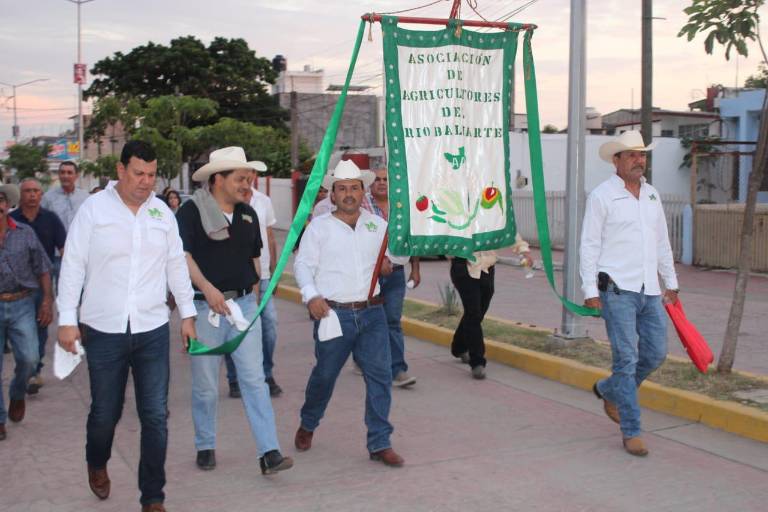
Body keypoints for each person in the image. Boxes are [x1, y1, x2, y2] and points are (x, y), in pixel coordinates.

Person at [57, 141, 197, 512]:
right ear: (121, 171)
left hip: (151, 328)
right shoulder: (94, 210)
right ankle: (97, 461)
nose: (145, 182)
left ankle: (153, 496)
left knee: (155, 415)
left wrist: (187, 314)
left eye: (151, 175)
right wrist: (67, 320)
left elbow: (176, 266)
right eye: (138, 173)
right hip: (104, 329)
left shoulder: (162, 215)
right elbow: (73, 265)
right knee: (106, 412)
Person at [176, 146, 292, 475]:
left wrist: (252, 295)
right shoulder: (190, 212)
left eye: (250, 179)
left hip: (243, 308)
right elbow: (182, 257)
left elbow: (255, 258)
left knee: (255, 379)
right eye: (241, 179)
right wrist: (208, 289)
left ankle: (269, 452)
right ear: (217, 180)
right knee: (206, 385)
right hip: (205, 310)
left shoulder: (248, 214)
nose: (247, 185)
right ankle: (205, 443)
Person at [293, 160, 404, 467]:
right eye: (342, 189)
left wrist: (396, 256)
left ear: (362, 190)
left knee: (380, 377)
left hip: (372, 314)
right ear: (333, 194)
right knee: (325, 375)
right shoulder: (319, 227)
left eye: (354, 188)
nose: (348, 194)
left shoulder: (377, 225)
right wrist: (311, 295)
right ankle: (309, 422)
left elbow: (398, 254)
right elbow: (303, 265)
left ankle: (380, 442)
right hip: (333, 315)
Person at [580, 130, 679, 457]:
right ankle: (631, 430)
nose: (639, 160)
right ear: (617, 160)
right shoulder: (602, 196)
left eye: (642, 154)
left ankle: (609, 390)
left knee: (655, 353)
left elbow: (661, 241)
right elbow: (589, 245)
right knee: (626, 358)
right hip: (617, 290)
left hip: (649, 289)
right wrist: (590, 289)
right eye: (632, 154)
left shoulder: (652, 195)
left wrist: (671, 281)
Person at [0, 184, 53, 441]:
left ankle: (17, 392)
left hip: (22, 303)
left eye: (1, 200)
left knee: (30, 359)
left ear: (7, 205)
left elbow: (43, 268)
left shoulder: (25, 233)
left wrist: (46, 301)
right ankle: (0, 419)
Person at [225, 166, 283, 398]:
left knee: (269, 326)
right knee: (234, 325)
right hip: (238, 277)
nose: (248, 178)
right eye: (242, 174)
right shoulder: (228, 202)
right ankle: (234, 378)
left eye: (251, 174)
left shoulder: (264, 201)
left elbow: (269, 237)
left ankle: (266, 373)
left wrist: (275, 270)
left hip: (264, 276)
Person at [361, 168, 421, 388]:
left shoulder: (401, 207)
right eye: (378, 179)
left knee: (393, 321)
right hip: (369, 276)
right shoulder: (361, 207)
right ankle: (367, 361)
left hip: (396, 274)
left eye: (386, 179)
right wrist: (378, 263)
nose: (382, 183)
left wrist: (415, 268)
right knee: (368, 322)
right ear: (370, 184)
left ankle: (398, 370)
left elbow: (410, 237)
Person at [9, 178, 66, 395]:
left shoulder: (50, 219)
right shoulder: (10, 220)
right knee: (20, 331)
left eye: (36, 191)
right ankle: (25, 367)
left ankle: (34, 370)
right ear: (20, 196)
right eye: (27, 191)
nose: (32, 195)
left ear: (41, 195)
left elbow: (64, 248)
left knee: (41, 327)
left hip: (42, 284)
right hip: (16, 288)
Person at [450, 235, 531, 380]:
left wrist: (523, 250)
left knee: (477, 312)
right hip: (464, 266)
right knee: (473, 313)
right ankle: (477, 362)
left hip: (487, 267)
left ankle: (459, 346)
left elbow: (508, 229)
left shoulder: (493, 212)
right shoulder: (455, 212)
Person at [42, 160, 89, 231]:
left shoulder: (85, 197)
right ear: (59, 175)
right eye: (62, 172)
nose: (65, 176)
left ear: (76, 176)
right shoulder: (48, 197)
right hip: (57, 241)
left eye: (69, 173)